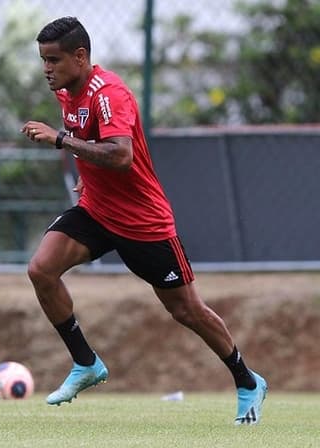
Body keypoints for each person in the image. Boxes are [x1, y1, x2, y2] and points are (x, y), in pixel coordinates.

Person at [21, 17, 267, 425]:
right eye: (43, 60)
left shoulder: (109, 94)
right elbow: (95, 145)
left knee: (187, 310)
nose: (47, 68)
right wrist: (86, 173)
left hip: (143, 222)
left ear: (80, 57)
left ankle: (247, 380)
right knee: (41, 270)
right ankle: (86, 363)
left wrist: (60, 140)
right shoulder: (67, 91)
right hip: (98, 210)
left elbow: (121, 155)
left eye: (54, 60)